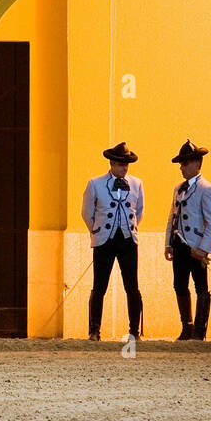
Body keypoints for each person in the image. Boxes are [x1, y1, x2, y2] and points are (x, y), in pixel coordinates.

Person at [81, 141, 144, 342]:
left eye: (126, 164)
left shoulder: (136, 183)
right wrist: (97, 231)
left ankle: (134, 330)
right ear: (111, 163)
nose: (123, 167)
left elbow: (139, 210)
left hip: (127, 239)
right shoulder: (95, 183)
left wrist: (130, 227)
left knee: (132, 286)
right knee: (99, 286)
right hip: (104, 240)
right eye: (120, 164)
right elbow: (87, 212)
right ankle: (94, 330)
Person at [165, 139, 211, 341]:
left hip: (195, 245)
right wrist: (169, 243)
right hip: (179, 242)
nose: (182, 167)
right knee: (179, 284)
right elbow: (172, 217)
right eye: (181, 163)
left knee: (201, 286)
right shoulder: (178, 188)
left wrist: (204, 248)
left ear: (197, 163)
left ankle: (199, 330)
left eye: (186, 163)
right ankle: (186, 326)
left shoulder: (207, 189)